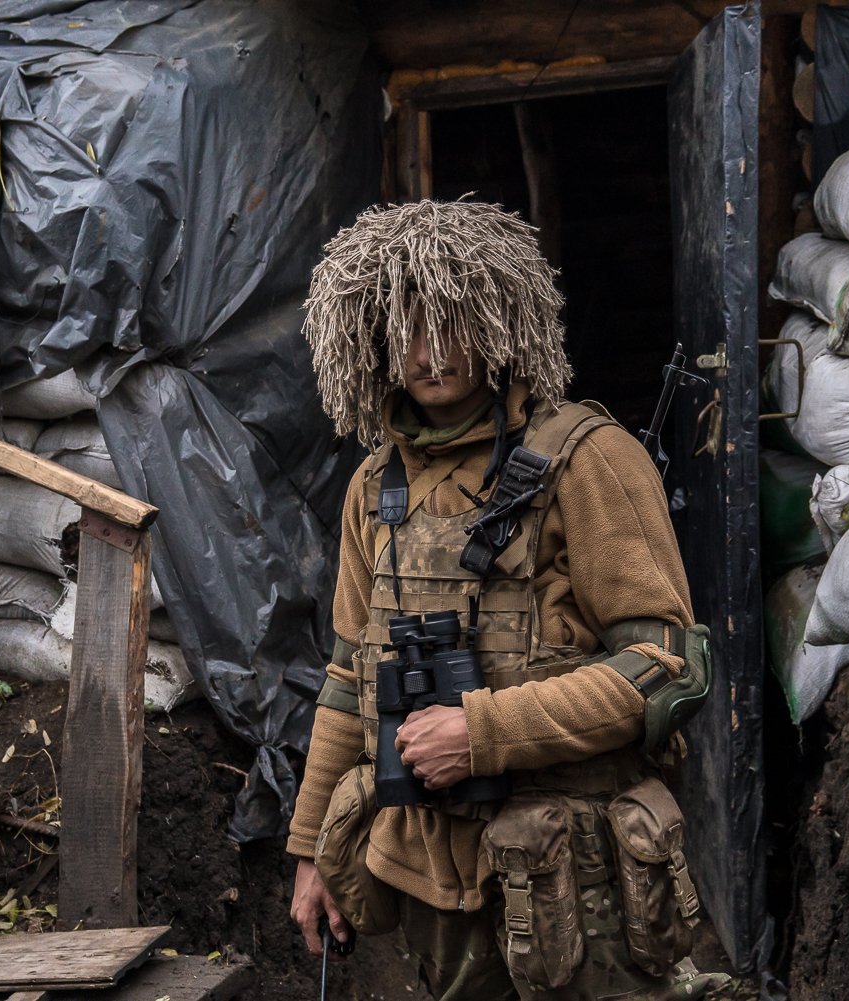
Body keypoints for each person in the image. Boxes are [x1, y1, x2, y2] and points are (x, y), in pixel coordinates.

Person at [288, 199, 719, 1001]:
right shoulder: (371, 487)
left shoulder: (591, 461)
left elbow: (668, 669)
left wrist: (482, 733)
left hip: (576, 873)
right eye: (406, 326)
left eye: (452, 321)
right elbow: (348, 681)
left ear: (500, 320)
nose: (430, 351)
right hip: (423, 877)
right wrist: (311, 848)